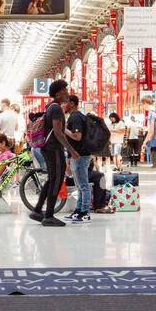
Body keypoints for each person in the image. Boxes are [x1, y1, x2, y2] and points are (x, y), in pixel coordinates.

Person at [30, 79, 75, 228]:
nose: (67, 93)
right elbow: (58, 133)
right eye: (65, 90)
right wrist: (71, 150)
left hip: (48, 148)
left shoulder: (50, 106)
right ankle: (48, 216)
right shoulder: (55, 108)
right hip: (53, 149)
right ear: (58, 92)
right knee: (56, 180)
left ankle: (37, 211)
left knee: (52, 179)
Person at [63, 94, 92, 224]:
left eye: (66, 103)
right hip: (77, 155)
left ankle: (85, 212)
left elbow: (77, 136)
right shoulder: (74, 116)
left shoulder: (75, 117)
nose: (64, 105)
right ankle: (78, 210)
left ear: (72, 104)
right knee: (79, 185)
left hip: (80, 155)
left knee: (83, 185)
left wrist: (64, 130)